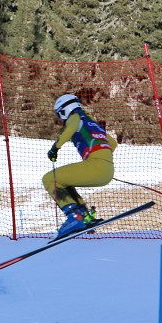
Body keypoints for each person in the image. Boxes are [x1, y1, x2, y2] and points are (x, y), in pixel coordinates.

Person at [43, 94, 118, 237]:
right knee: (64, 182)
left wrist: (55, 148)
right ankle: (84, 216)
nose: (61, 119)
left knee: (48, 179)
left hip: (95, 167)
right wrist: (103, 158)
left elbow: (69, 130)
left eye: (60, 115)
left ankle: (75, 217)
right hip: (107, 170)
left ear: (64, 110)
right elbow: (113, 143)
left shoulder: (75, 117)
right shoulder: (92, 122)